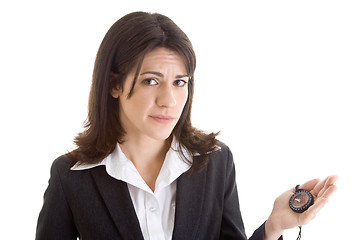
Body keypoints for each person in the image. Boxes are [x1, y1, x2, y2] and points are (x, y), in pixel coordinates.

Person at [35, 11, 338, 240]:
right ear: (114, 84)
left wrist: (273, 226)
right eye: (151, 80)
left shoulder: (216, 162)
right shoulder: (71, 177)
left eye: (179, 82)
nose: (169, 100)